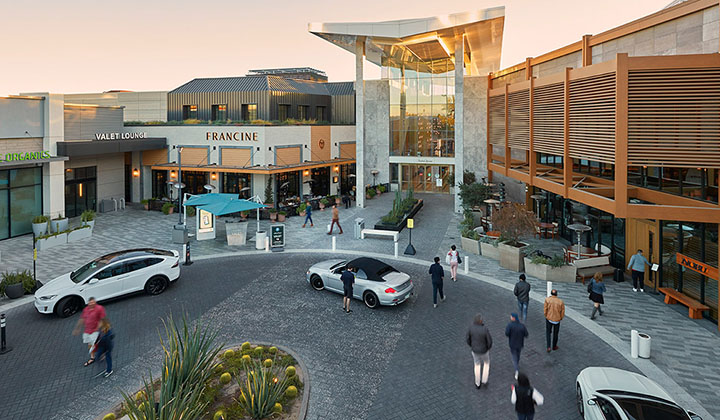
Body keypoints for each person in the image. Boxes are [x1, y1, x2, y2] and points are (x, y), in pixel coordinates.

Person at [73, 297, 106, 367]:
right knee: (90, 344)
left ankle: (102, 354)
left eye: (93, 302)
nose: (91, 304)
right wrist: (77, 328)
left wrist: (98, 328)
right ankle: (92, 357)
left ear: (95, 302)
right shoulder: (86, 309)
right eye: (90, 303)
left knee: (96, 343)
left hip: (95, 331)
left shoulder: (99, 308)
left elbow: (102, 319)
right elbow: (82, 319)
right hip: (87, 330)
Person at [466, 313, 492, 389]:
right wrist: (488, 348)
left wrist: (471, 345)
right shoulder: (484, 329)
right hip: (484, 351)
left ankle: (477, 383)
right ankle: (484, 380)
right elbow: (489, 341)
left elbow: (467, 339)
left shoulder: (471, 328)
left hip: (475, 350)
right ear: (481, 321)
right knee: (486, 363)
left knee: (477, 365)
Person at [505, 313, 528, 379]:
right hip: (520, 344)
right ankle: (517, 365)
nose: (510, 317)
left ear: (513, 318)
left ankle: (516, 370)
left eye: (511, 317)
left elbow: (506, 333)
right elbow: (526, 334)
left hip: (512, 344)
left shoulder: (510, 325)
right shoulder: (522, 326)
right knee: (518, 355)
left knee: (514, 357)